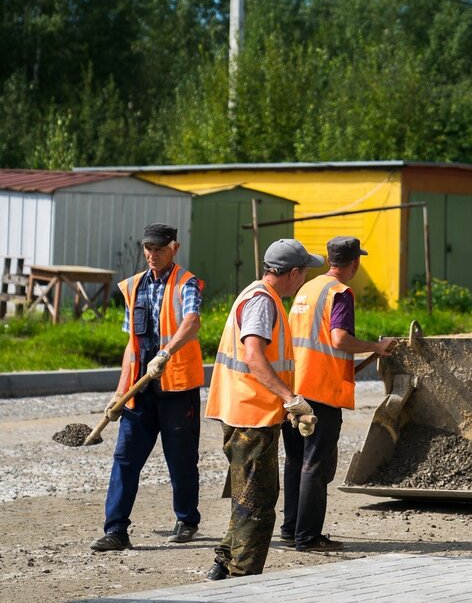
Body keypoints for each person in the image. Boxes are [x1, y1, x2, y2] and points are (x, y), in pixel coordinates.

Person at [205, 239, 324, 580]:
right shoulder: (262, 302)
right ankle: (243, 579)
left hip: (244, 411)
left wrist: (284, 402)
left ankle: (223, 562)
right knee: (257, 503)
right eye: (304, 273)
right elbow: (254, 357)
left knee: (247, 497)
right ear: (294, 273)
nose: (303, 280)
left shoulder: (255, 294)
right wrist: (290, 399)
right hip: (250, 416)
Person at [91, 223, 204, 552]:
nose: (152, 255)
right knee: (125, 458)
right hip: (139, 392)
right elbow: (131, 345)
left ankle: (186, 519)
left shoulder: (187, 283)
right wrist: (120, 390)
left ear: (174, 248)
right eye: (148, 249)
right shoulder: (132, 287)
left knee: (180, 458)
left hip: (177, 388)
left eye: (158, 248)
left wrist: (166, 353)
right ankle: (116, 530)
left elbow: (192, 321)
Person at [283, 237, 395, 552]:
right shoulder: (340, 293)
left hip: (294, 390)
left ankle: (291, 530)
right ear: (355, 263)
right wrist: (376, 347)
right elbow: (339, 339)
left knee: (295, 461)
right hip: (321, 392)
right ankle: (308, 537)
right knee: (315, 465)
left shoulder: (306, 289)